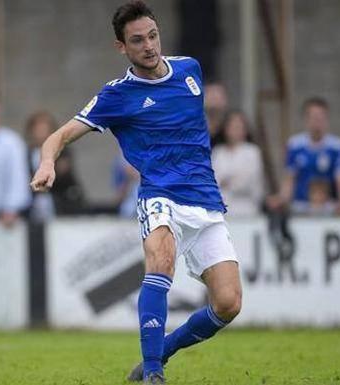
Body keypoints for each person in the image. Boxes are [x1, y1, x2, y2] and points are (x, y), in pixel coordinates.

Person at [29, 2, 241, 383]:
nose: (149, 46)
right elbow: (57, 137)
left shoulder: (190, 69)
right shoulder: (117, 96)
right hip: (160, 195)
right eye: (137, 40)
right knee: (160, 260)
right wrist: (47, 163)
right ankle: (154, 375)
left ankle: (161, 353)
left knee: (228, 304)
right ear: (121, 47)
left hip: (206, 201)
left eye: (153, 36)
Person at [267, 97, 340, 215]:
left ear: (327, 119)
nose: (317, 121)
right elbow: (290, 177)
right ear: (306, 119)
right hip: (301, 205)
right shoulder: (295, 145)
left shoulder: (337, 146)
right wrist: (282, 198)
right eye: (314, 117)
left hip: (329, 206)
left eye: (321, 117)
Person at [25, 111, 85, 220]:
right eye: (38, 130)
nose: (41, 134)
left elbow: (66, 178)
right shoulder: (25, 154)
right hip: (32, 205)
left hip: (59, 205)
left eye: (44, 129)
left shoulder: (63, 153)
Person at [211, 110, 264, 217]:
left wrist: (227, 181)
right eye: (232, 126)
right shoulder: (218, 152)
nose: (235, 130)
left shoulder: (252, 152)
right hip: (221, 211)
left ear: (245, 130)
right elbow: (213, 180)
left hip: (247, 209)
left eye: (239, 127)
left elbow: (245, 182)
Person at [203, 82, 228, 147]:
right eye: (211, 96)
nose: (215, 101)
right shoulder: (193, 126)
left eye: (218, 97)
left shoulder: (232, 127)